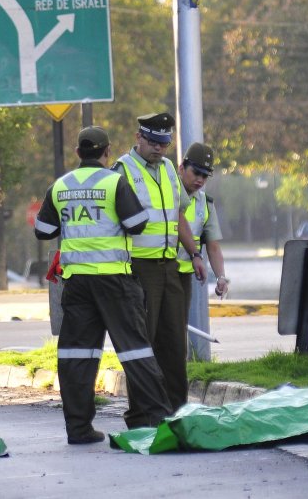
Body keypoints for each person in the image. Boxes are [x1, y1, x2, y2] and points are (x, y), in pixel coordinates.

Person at [34, 126, 173, 444]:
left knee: (76, 355)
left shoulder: (61, 185)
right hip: (114, 282)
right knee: (136, 351)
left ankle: (79, 429)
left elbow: (43, 229)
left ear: (78, 152)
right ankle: (159, 422)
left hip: (77, 284)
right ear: (107, 151)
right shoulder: (114, 181)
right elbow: (136, 224)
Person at [112, 112, 206, 424]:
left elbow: (178, 216)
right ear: (138, 137)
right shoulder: (123, 170)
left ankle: (175, 411)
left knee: (174, 343)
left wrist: (194, 253)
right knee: (143, 344)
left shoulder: (167, 169)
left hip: (170, 267)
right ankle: (142, 414)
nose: (159, 148)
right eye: (153, 142)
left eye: (164, 143)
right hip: (139, 269)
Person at [176, 142, 229, 305]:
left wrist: (221, 277)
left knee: (178, 328)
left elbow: (213, 247)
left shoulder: (205, 204)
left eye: (205, 176)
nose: (200, 179)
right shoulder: (166, 192)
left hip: (183, 276)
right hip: (157, 270)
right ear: (181, 168)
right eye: (196, 173)